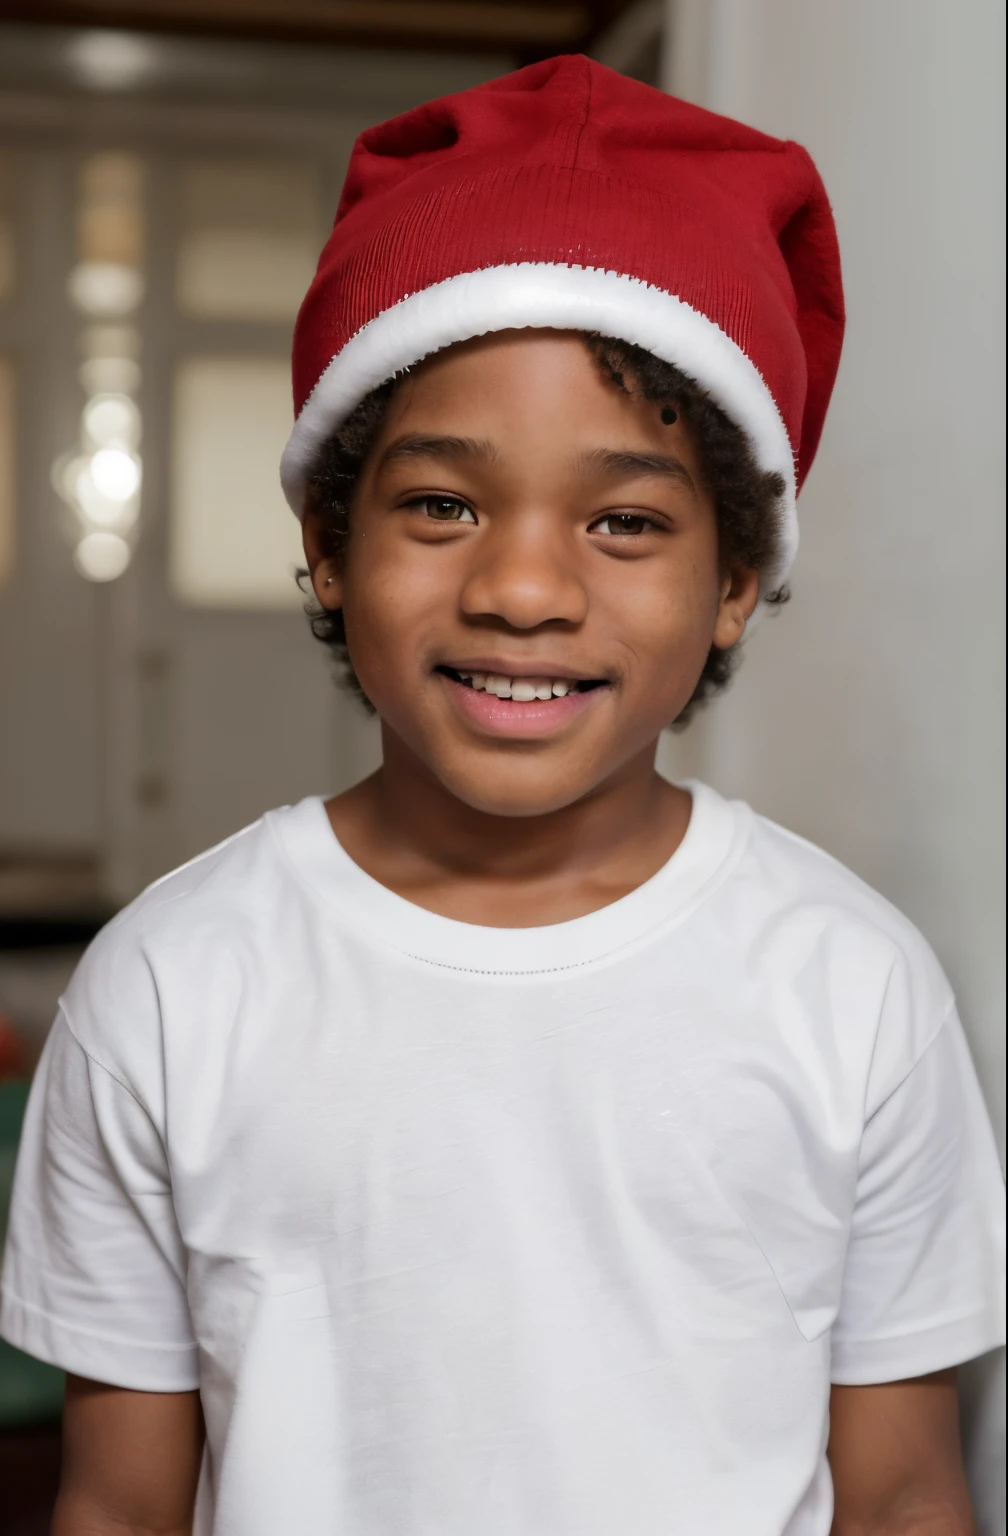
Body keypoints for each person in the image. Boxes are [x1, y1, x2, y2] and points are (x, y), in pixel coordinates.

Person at [1, 56, 1004, 1536]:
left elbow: (907, 1490)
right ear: (329, 547)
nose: (524, 587)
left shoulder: (854, 989)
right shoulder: (169, 982)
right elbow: (114, 1504)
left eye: (623, 520)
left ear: (735, 581)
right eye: (442, 505)